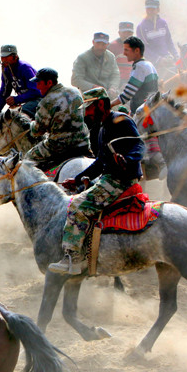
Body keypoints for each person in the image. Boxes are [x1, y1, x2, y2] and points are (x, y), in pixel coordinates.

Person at [49, 87, 145, 275]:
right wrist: (76, 179)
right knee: (76, 195)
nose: (87, 113)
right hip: (108, 177)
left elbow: (138, 145)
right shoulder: (102, 128)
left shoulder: (121, 120)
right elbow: (101, 162)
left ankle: (73, 259)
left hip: (120, 180)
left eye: (90, 108)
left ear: (101, 104)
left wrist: (128, 159)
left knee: (76, 206)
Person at [25, 67, 91, 171]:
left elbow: (37, 131)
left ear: (49, 82)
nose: (37, 86)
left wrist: (32, 124)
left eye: (40, 83)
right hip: (82, 142)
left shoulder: (46, 102)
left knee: (26, 160)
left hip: (58, 147)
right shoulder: (76, 91)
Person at [112, 36, 159, 113]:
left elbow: (127, 94)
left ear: (137, 50)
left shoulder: (139, 67)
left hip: (142, 112)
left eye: (126, 50)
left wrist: (111, 104)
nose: (124, 53)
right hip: (151, 109)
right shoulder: (149, 64)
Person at [0, 44, 40, 116]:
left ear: (15, 57)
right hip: (25, 101)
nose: (3, 60)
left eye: (7, 57)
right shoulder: (6, 71)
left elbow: (35, 91)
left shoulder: (24, 68)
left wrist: (16, 99)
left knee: (17, 115)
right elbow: (4, 93)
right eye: (2, 57)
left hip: (38, 99)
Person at [71, 32, 121, 97]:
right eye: (98, 43)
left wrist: (113, 88)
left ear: (108, 44)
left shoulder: (111, 57)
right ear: (93, 42)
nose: (100, 47)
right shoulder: (83, 58)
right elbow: (75, 80)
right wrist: (94, 87)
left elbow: (115, 75)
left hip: (107, 95)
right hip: (88, 96)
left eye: (103, 44)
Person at [136, 0, 178, 65]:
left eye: (152, 9)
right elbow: (143, 48)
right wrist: (158, 59)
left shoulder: (163, 23)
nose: (150, 11)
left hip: (166, 58)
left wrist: (176, 55)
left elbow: (169, 41)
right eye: (148, 9)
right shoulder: (141, 27)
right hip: (151, 63)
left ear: (158, 10)